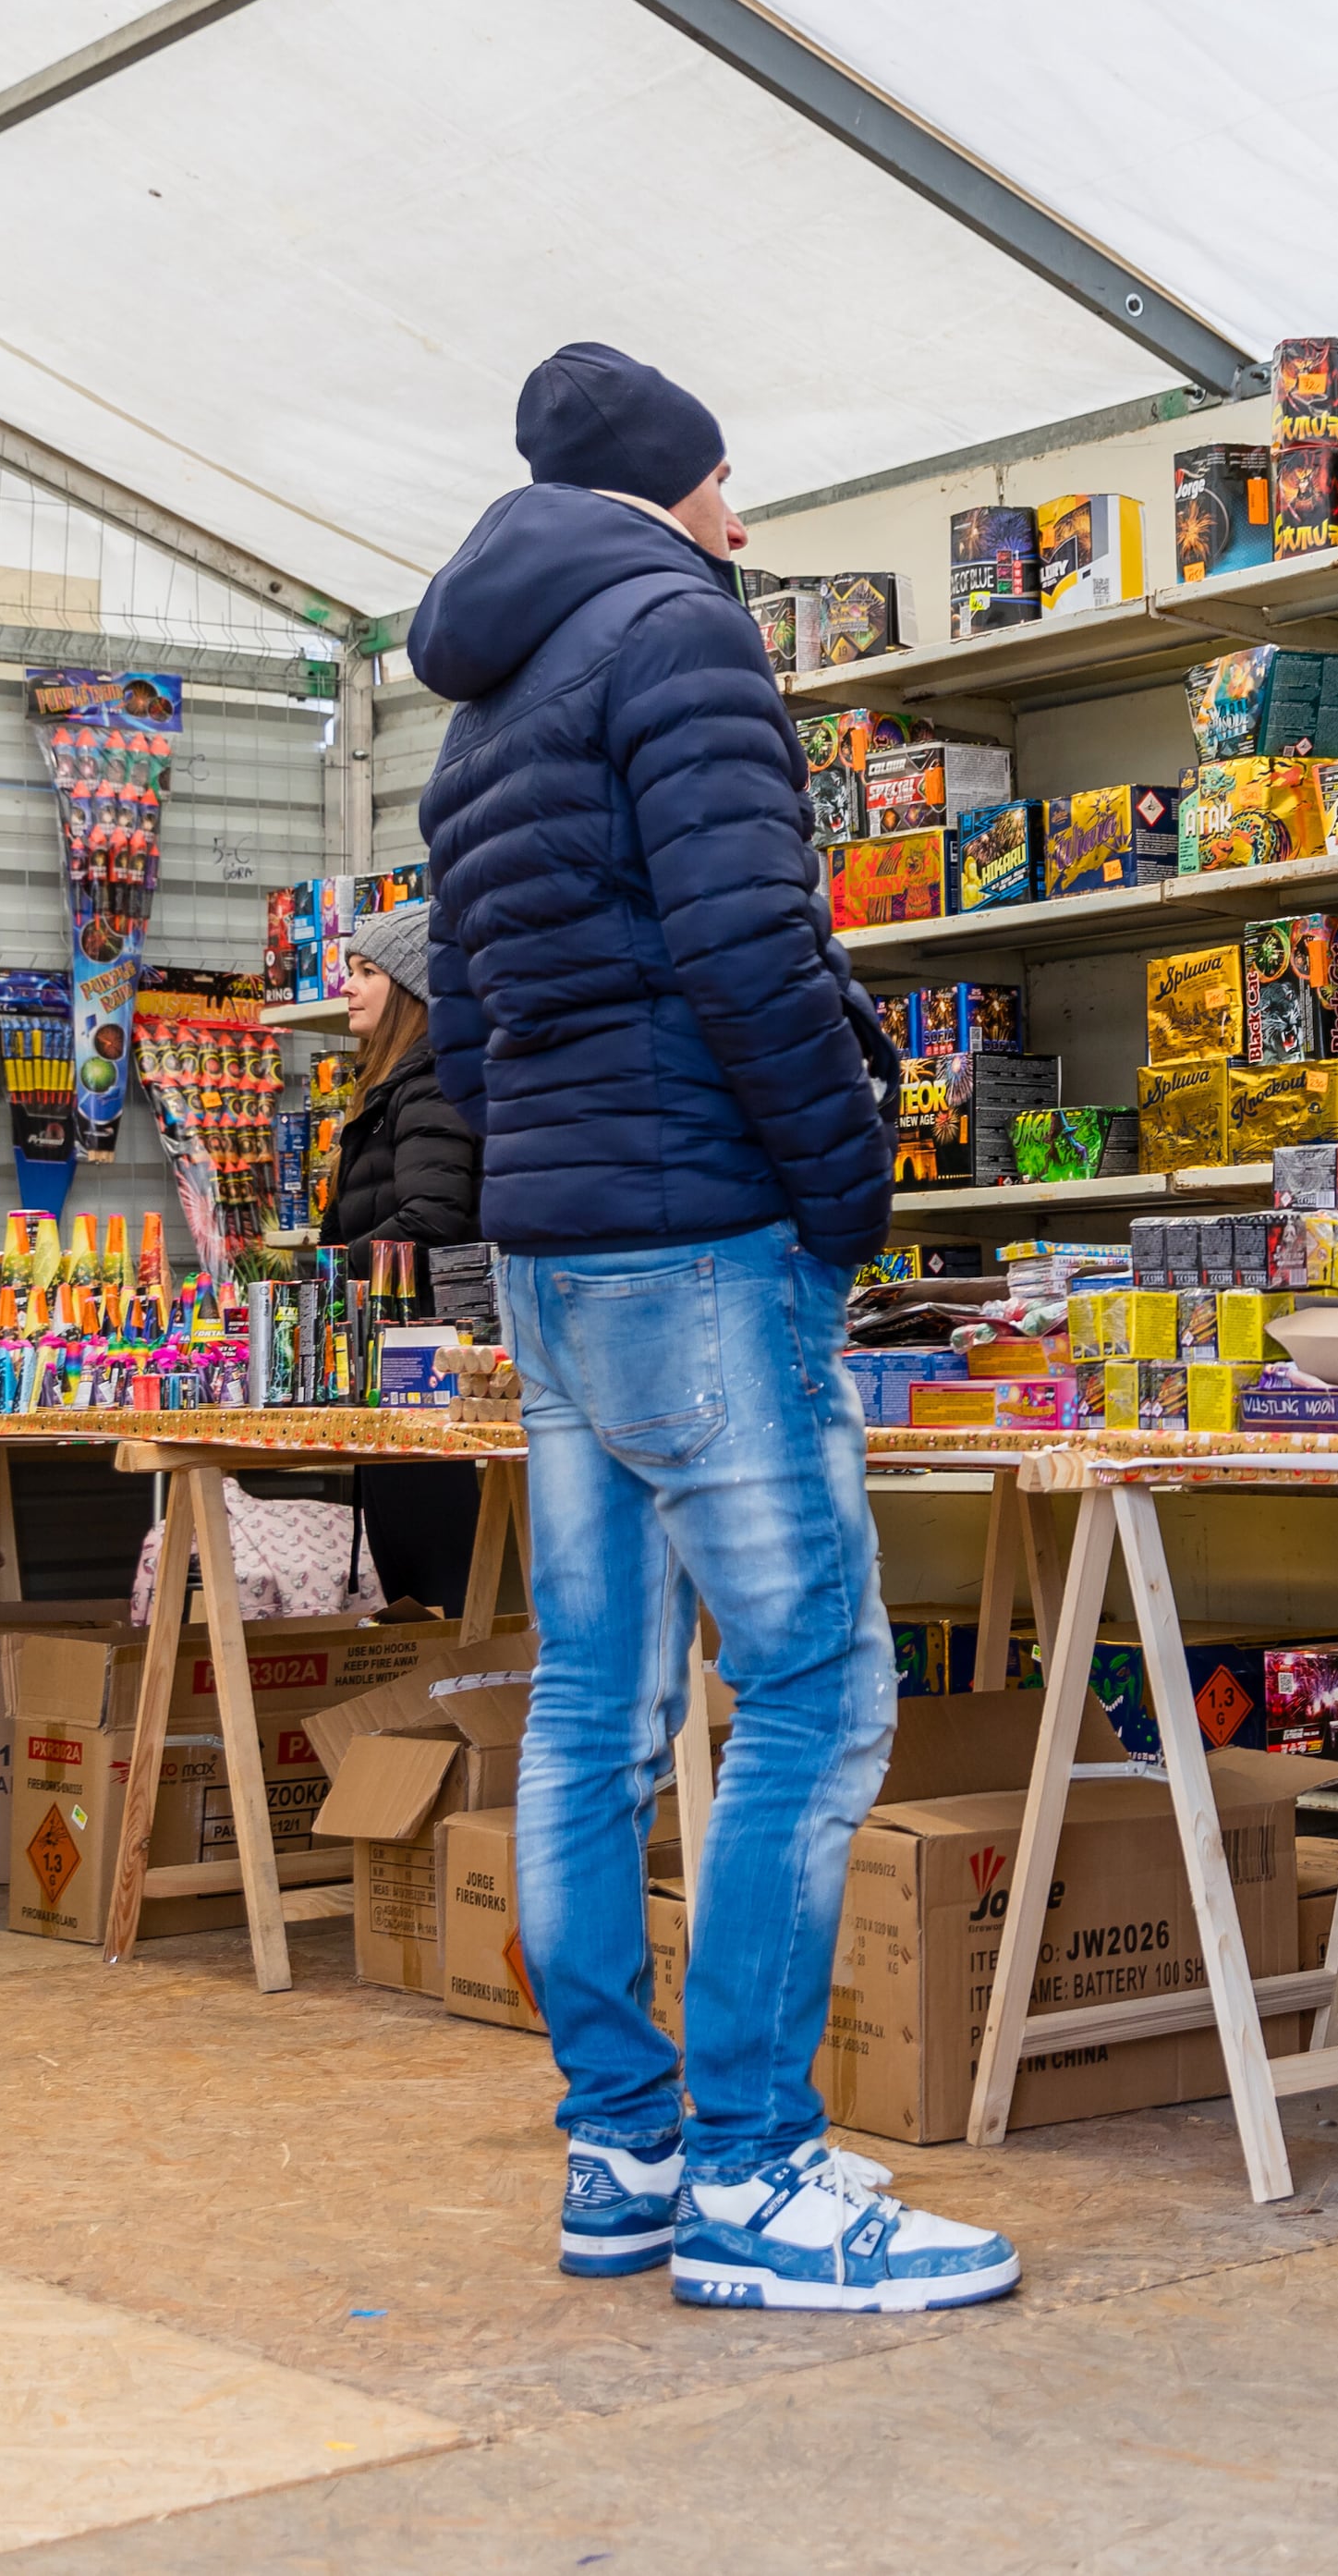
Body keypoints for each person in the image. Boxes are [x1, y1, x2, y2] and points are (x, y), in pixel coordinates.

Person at [410, 339, 1010, 2316]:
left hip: (560, 1247)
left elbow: (470, 1024)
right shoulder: (679, 636)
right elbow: (757, 944)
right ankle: (759, 2176)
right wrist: (841, 1195)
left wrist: (546, 1198)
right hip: (700, 1235)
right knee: (818, 1698)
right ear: (678, 490)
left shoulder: (481, 709)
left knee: (594, 1704)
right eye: (733, 486)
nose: (748, 527)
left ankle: (626, 2150)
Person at [316, 895, 483, 1615]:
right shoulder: (389, 1091)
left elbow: (433, 1218)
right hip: (394, 1373)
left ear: (413, 987)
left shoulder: (434, 1083)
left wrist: (323, 1275)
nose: (346, 985)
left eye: (365, 970)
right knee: (415, 1604)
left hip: (428, 1376)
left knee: (443, 1598)